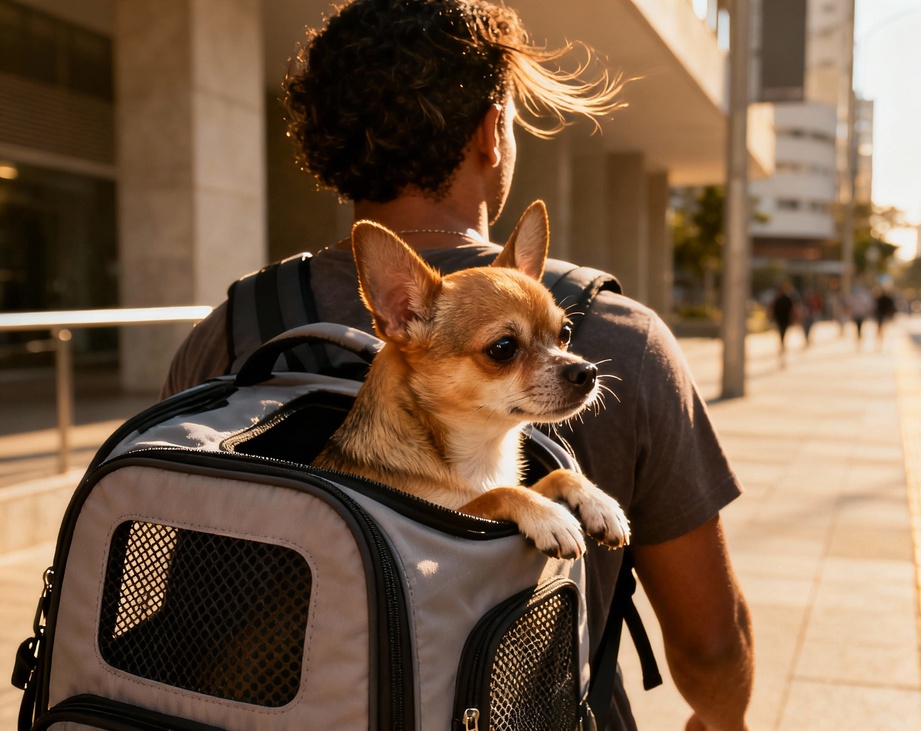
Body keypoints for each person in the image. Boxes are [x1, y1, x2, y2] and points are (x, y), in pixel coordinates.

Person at [161, 2, 753, 729]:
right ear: (490, 129)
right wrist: (721, 719)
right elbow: (711, 644)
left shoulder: (228, 330)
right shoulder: (628, 339)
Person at [770, 280, 796, 367]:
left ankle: (782, 347)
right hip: (780, 321)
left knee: (782, 335)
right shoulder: (778, 299)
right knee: (782, 335)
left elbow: (792, 311)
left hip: (784, 321)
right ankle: (782, 346)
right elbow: (773, 310)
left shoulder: (786, 299)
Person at [873, 285, 897, 351]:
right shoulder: (880, 299)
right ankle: (880, 341)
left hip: (883, 316)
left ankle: (881, 341)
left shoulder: (886, 299)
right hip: (881, 316)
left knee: (882, 329)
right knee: (881, 329)